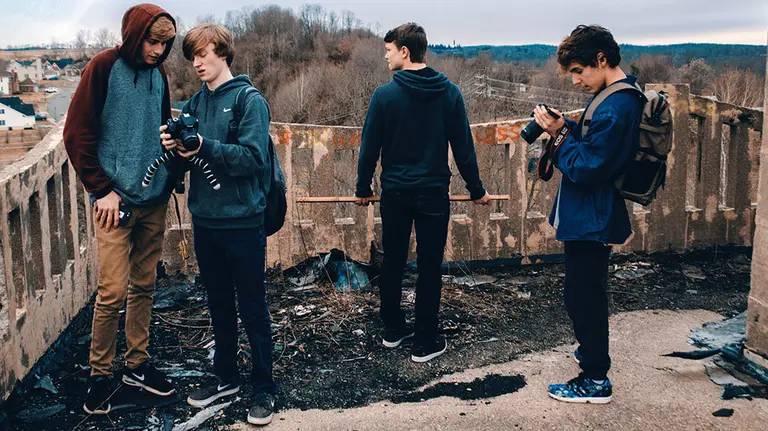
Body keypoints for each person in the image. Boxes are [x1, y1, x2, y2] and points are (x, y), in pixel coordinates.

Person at [64, 3, 179, 415]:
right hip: (114, 201)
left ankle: (137, 364)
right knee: (112, 291)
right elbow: (76, 133)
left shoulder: (159, 76)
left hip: (154, 200)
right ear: (134, 34)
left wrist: (173, 164)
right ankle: (100, 375)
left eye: (165, 44)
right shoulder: (102, 67)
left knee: (145, 286)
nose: (157, 50)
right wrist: (101, 190)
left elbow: (162, 128)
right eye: (152, 41)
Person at [160, 23, 276, 426]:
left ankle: (264, 386)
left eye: (202, 54)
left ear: (223, 52)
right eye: (191, 56)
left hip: (243, 221)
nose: (196, 62)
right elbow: (188, 163)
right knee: (219, 304)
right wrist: (173, 149)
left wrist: (204, 146)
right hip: (205, 220)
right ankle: (226, 375)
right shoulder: (193, 104)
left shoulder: (249, 101)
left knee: (253, 306)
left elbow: (252, 160)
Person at [355, 23, 491, 364]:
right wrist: (477, 190)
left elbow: (368, 149)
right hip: (433, 195)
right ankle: (426, 340)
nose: (385, 56)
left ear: (404, 51)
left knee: (394, 262)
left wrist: (362, 188)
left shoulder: (384, 96)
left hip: (396, 194)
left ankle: (393, 330)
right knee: (430, 266)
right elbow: (464, 149)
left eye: (388, 50)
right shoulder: (450, 93)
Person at [532, 24, 645, 404]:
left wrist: (559, 137)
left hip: (592, 217)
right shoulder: (612, 97)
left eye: (579, 71)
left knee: (584, 297)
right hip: (589, 215)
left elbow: (587, 167)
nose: (576, 80)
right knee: (583, 291)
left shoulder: (616, 105)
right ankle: (590, 352)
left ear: (601, 59)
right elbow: (595, 144)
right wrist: (567, 126)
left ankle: (595, 378)